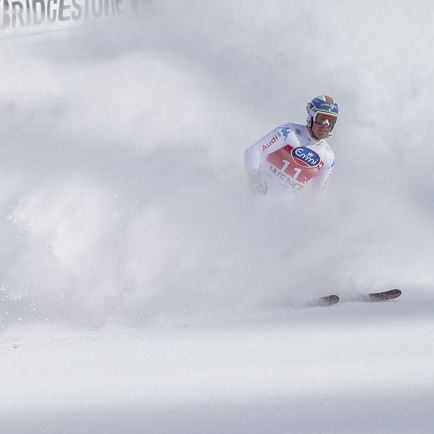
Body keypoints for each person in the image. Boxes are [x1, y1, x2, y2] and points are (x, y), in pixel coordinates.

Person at [244, 95, 338, 199]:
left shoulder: (329, 156)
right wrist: (254, 177)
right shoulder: (289, 132)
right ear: (311, 118)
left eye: (331, 120)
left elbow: (317, 195)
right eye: (321, 119)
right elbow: (253, 151)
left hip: (279, 210)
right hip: (256, 195)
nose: (326, 124)